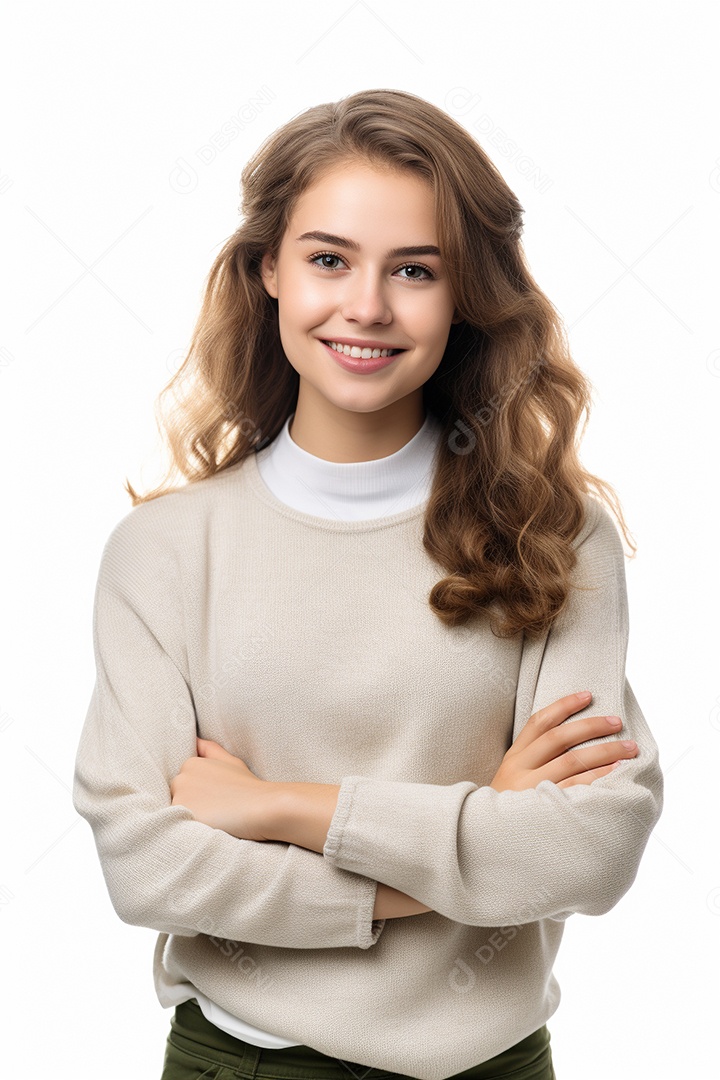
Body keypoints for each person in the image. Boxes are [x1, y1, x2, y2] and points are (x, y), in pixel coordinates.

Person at [72, 88, 664, 1080]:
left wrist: (280, 809)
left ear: (465, 292)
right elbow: (148, 865)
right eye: (329, 259)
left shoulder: (552, 535)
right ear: (270, 269)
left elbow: (591, 849)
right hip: (246, 1065)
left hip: (491, 1063)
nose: (368, 307)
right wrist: (464, 850)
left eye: (416, 270)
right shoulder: (165, 553)